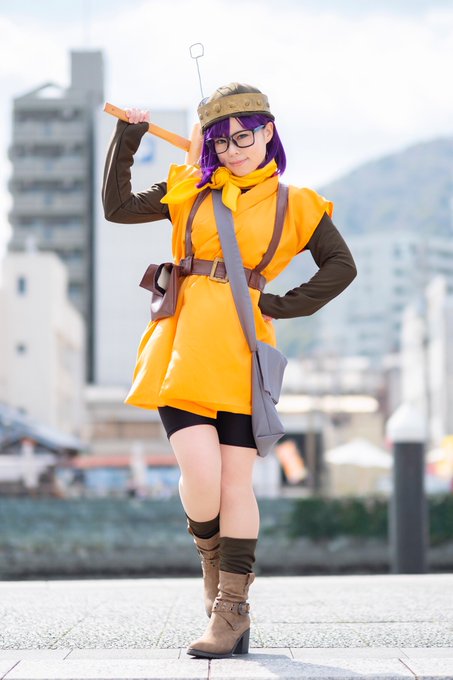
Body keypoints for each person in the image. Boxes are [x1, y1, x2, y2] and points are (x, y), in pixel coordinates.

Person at [102, 82, 357, 658]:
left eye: (244, 137)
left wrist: (279, 306)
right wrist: (128, 137)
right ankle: (212, 567)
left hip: (244, 349)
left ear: (269, 132)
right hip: (182, 345)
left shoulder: (297, 204)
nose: (234, 150)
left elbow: (341, 266)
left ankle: (231, 609)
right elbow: (117, 208)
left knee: (236, 482)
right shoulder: (191, 186)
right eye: (222, 141)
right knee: (201, 475)